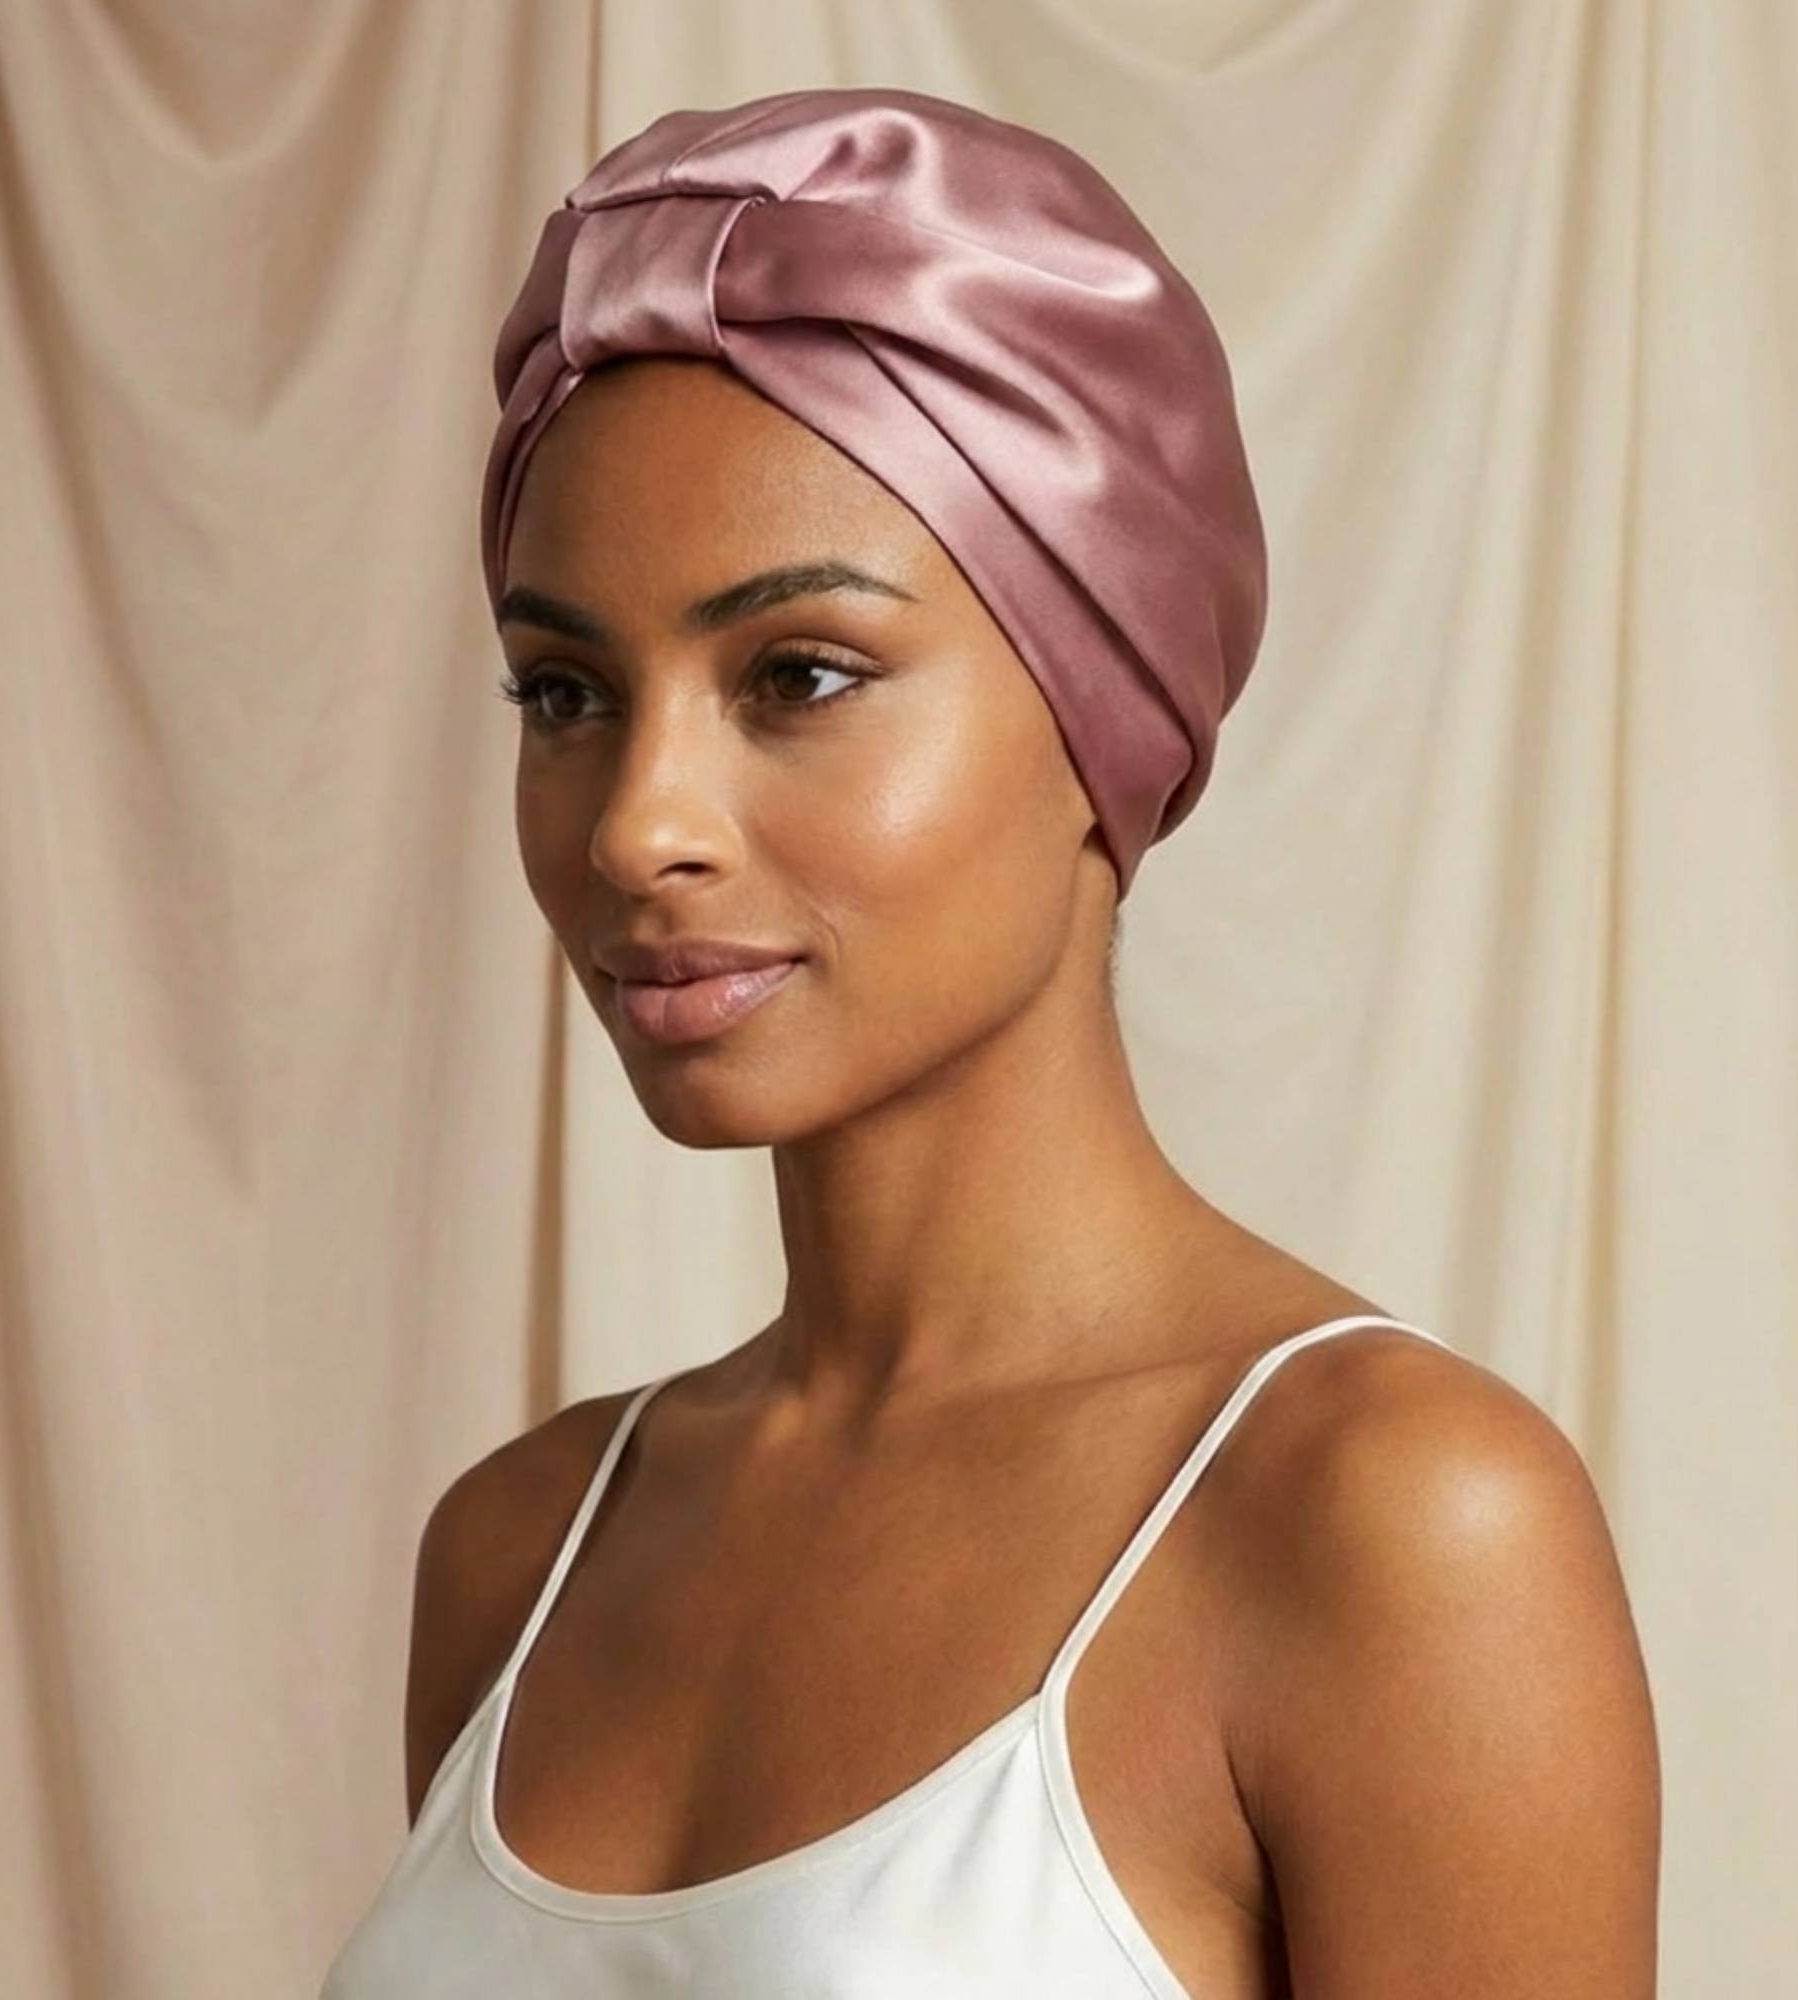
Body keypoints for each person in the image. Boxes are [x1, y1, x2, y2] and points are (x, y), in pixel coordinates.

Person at [323, 87, 1658, 1997]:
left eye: (798, 675)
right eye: (565, 692)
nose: (636, 825)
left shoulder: (1387, 1526)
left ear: (1100, 703)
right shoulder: (521, 1556)